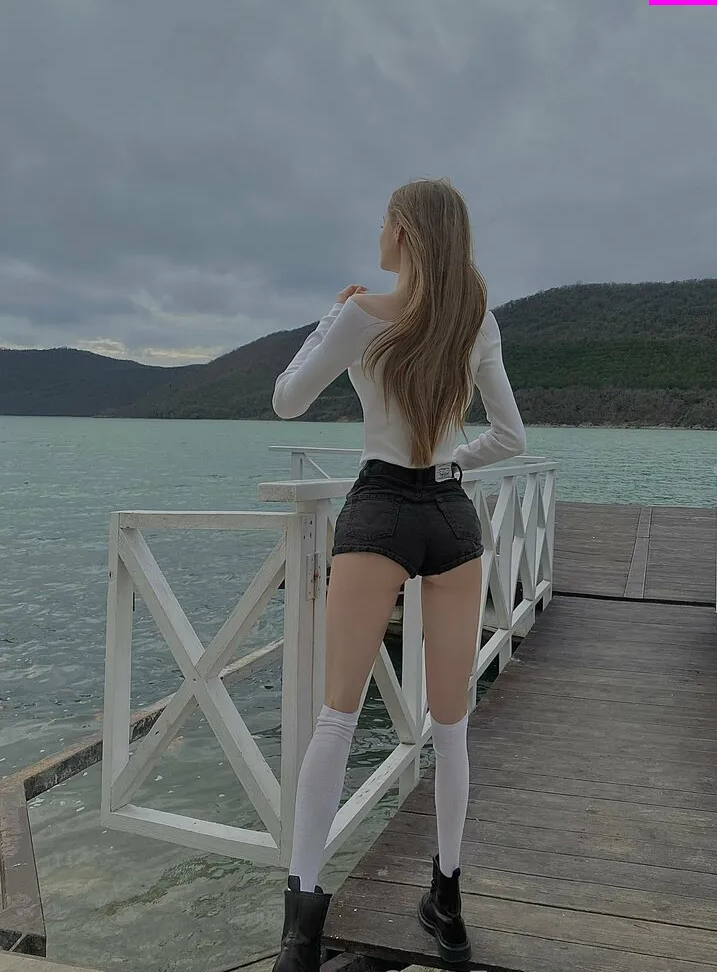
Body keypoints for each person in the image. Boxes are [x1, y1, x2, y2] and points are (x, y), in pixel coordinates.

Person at [270, 177, 526, 970]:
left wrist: (329, 320)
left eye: (385, 222)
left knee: (336, 721)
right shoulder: (475, 320)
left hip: (379, 508)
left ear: (404, 232)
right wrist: (451, 465)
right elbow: (511, 437)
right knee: (451, 728)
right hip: (449, 516)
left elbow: (287, 400)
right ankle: (447, 907)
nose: (378, 234)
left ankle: (300, 932)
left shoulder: (361, 316)